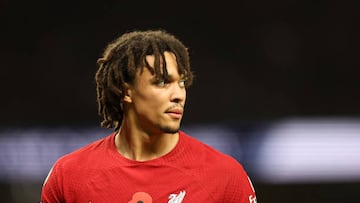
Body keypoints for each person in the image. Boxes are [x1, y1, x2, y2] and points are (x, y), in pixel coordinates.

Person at [40, 29, 257, 203]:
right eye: (162, 82)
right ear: (127, 92)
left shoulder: (225, 176)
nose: (178, 95)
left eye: (181, 83)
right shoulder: (69, 176)